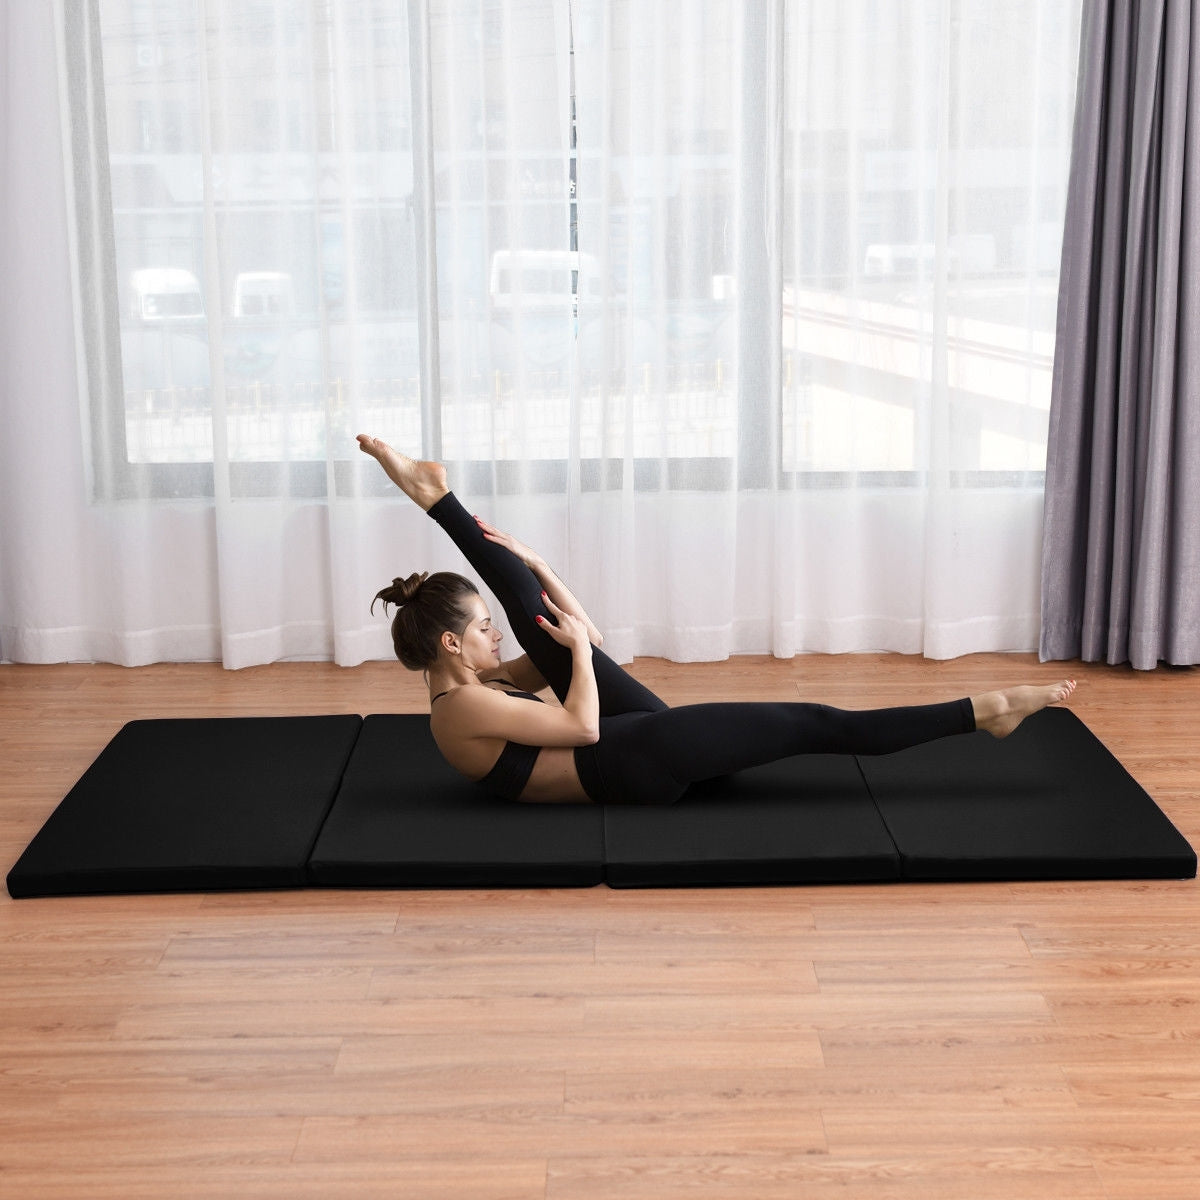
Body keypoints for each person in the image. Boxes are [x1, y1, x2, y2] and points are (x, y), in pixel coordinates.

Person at [358, 434, 1077, 806]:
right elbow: (582, 727)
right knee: (815, 723)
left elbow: (588, 641)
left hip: (629, 746)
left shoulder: (477, 687)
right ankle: (986, 712)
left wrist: (541, 566)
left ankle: (440, 502)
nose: (495, 636)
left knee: (543, 621)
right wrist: (573, 653)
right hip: (630, 767)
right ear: (451, 643)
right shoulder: (463, 709)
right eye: (483, 629)